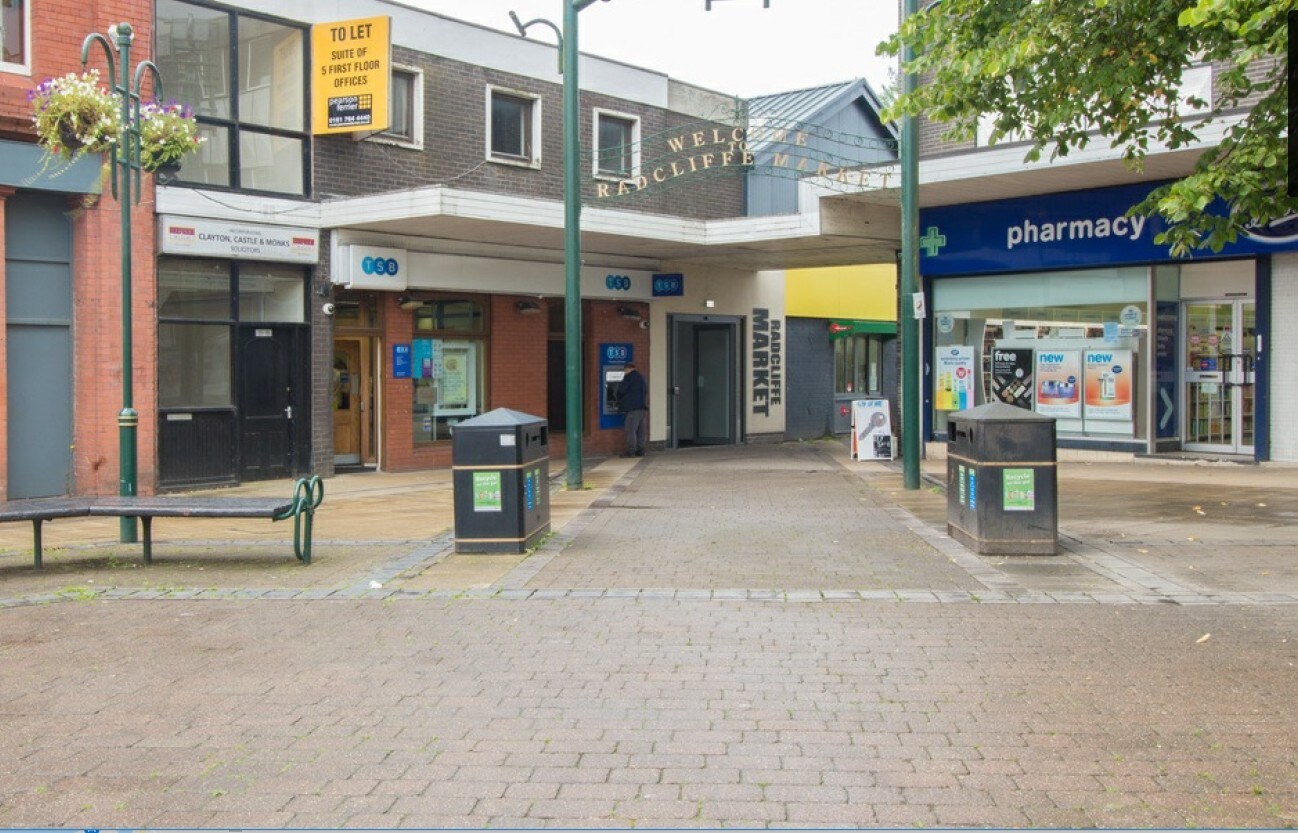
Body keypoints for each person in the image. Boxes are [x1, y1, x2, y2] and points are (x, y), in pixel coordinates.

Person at [616, 361, 648, 457]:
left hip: (632, 408)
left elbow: (620, 391)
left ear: (627, 369)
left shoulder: (628, 377)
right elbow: (645, 390)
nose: (625, 372)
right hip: (642, 408)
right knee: (641, 431)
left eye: (625, 370)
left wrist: (618, 397)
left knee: (630, 430)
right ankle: (641, 450)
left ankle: (631, 451)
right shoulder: (641, 377)